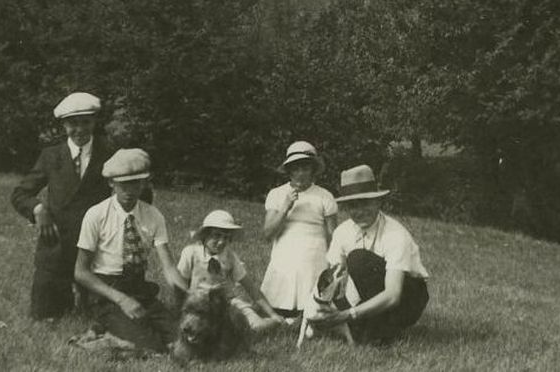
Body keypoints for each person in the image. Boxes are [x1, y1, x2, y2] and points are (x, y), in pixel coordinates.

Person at [73, 148, 188, 353]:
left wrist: (190, 295)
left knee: (183, 341)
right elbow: (81, 273)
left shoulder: (153, 216)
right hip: (107, 292)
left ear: (144, 183)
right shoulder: (96, 214)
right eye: (122, 184)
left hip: (140, 290)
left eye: (135, 183)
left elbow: (169, 268)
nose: (129, 190)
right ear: (111, 183)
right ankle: (103, 337)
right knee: (151, 346)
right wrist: (121, 299)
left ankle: (107, 332)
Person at [11, 92, 113, 321]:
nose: (79, 130)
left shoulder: (110, 154)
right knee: (45, 315)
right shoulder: (51, 156)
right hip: (57, 247)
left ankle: (88, 292)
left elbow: (138, 194)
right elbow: (20, 193)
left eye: (85, 122)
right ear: (63, 124)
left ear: (95, 121)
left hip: (97, 249)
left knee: (102, 316)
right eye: (72, 124)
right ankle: (63, 291)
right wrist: (38, 209)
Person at [310, 164, 430, 345]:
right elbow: (333, 280)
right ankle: (369, 327)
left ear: (378, 202)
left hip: (407, 297)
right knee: (338, 286)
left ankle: (383, 329)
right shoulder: (342, 232)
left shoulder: (396, 234)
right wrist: (322, 310)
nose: (359, 211)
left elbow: (393, 294)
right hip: (367, 291)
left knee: (359, 259)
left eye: (365, 203)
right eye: (352, 206)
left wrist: (347, 315)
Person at [260, 141, 338, 318]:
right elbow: (267, 233)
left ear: (313, 169)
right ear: (289, 171)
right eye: (295, 168)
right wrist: (285, 207)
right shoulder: (277, 194)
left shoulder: (325, 196)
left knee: (315, 310)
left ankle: (306, 309)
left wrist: (334, 263)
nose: (300, 173)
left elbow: (333, 234)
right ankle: (282, 309)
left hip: (314, 253)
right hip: (285, 251)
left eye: (305, 167)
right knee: (277, 307)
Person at [177, 210, 286, 334]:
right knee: (202, 329)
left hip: (227, 302)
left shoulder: (230, 257)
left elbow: (250, 287)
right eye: (216, 235)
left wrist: (272, 314)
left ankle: (276, 322)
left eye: (226, 238)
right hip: (198, 302)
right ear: (204, 235)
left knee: (257, 326)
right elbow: (180, 285)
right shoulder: (191, 253)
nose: (221, 242)